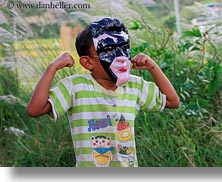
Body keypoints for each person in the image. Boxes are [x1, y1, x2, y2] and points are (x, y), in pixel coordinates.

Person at [27, 17, 180, 167]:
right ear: (88, 62)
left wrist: (153, 67)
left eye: (124, 47)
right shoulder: (75, 87)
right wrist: (52, 68)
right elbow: (35, 109)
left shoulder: (135, 86)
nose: (121, 55)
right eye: (108, 50)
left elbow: (173, 101)